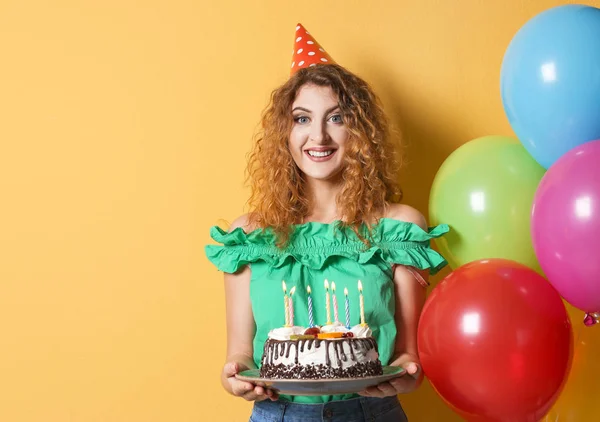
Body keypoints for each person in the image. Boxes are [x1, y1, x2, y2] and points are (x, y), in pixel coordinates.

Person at [205, 23, 449, 422]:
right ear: (284, 133)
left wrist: (406, 374)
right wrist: (235, 378)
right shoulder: (248, 237)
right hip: (278, 414)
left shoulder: (399, 229)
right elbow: (238, 356)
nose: (318, 135)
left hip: (372, 413)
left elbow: (408, 356)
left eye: (336, 118)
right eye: (302, 119)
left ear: (359, 132)